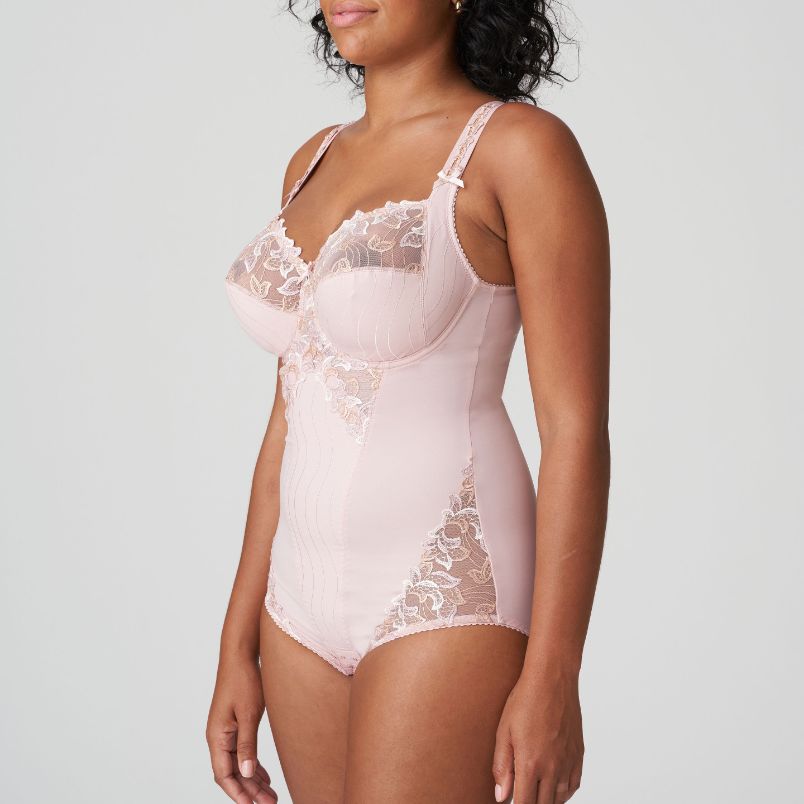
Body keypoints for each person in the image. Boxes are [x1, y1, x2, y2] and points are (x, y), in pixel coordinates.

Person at [208, 1, 610, 802]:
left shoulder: (519, 149)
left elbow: (574, 431)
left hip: (448, 585)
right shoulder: (313, 159)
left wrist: (554, 677)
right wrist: (236, 641)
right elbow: (287, 417)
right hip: (296, 605)